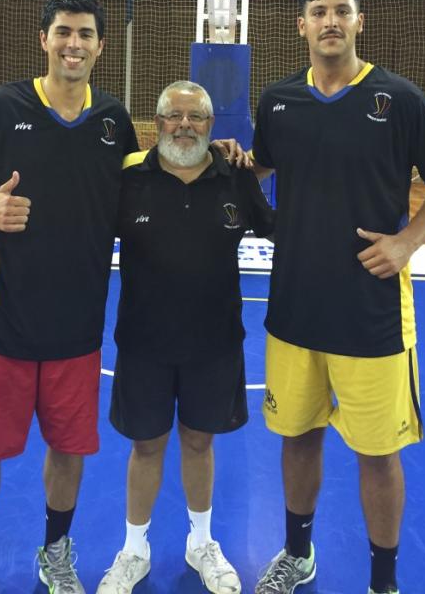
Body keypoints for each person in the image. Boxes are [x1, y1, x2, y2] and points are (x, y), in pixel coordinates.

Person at [250, 0, 425, 594]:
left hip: (370, 312)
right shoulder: (279, 101)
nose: (329, 22)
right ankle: (298, 555)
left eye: (341, 11)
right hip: (293, 306)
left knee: (377, 452)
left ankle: (383, 582)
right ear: (301, 25)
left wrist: (406, 243)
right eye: (318, 11)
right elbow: (261, 166)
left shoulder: (398, 99)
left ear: (358, 22)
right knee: (297, 436)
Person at [0, 0, 139, 594]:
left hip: (77, 322)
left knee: (69, 445)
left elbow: (141, 196)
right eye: (62, 32)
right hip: (1, 320)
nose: (73, 44)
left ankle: (56, 552)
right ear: (43, 40)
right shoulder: (1, 108)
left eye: (84, 34)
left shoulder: (113, 121)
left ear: (100, 47)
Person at [95, 81, 275, 594]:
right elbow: (81, 232)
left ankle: (201, 542)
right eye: (174, 116)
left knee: (200, 441)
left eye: (196, 117)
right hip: (144, 341)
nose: (184, 126)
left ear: (212, 126)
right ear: (157, 125)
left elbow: (277, 228)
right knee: (146, 445)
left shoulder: (234, 176)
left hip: (215, 342)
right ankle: (134, 550)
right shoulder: (129, 178)